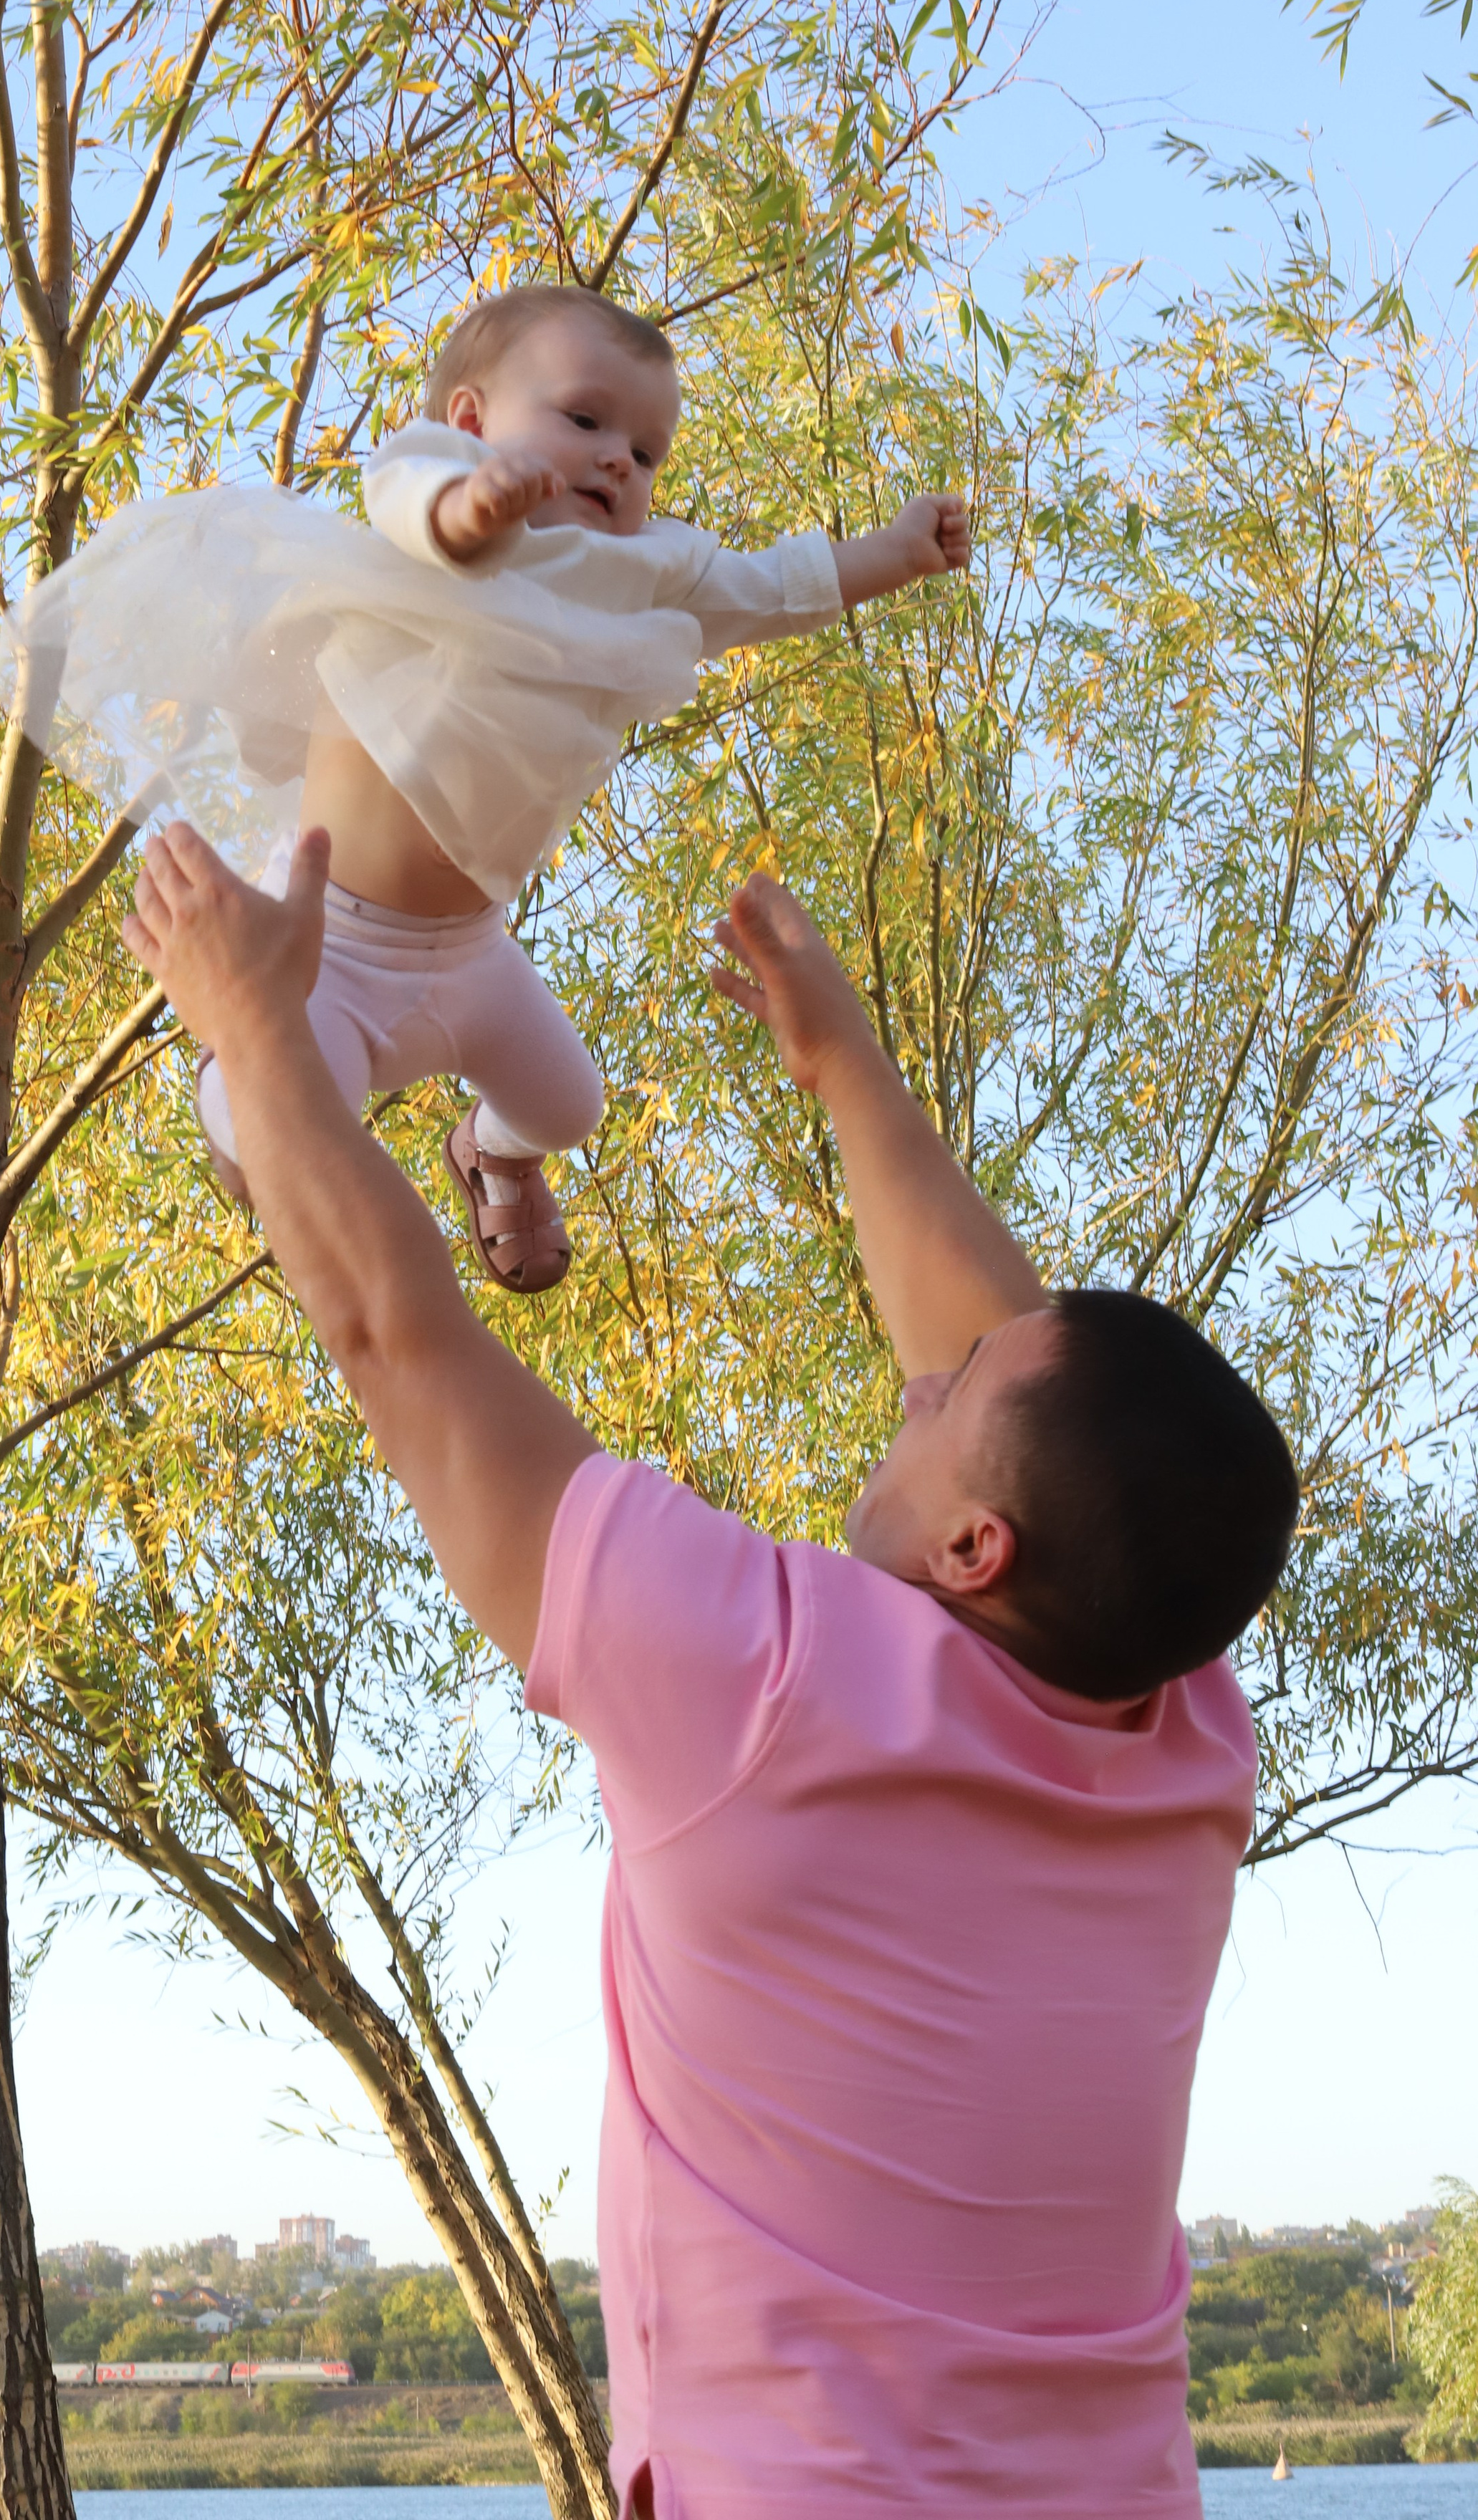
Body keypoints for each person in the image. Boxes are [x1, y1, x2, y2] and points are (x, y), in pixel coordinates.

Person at [122, 821, 1298, 2519]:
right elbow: (1074, 1448)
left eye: (940, 1397)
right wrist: (845, 1072)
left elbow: (400, 1337)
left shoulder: (763, 1680)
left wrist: (253, 1027)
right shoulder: (1179, 1729)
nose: (916, 1381)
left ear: (976, 1554)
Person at [0, 284, 966, 1291]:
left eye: (646, 452)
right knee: (285, 1134)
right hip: (327, 953)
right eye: (585, 420)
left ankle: (492, 1152)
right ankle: (230, 1074)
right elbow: (420, 511)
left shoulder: (649, 570)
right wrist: (474, 510)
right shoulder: (437, 478)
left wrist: (897, 554)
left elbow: (772, 589)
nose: (617, 461)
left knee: (570, 1107)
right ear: (471, 420)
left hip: (470, 955)